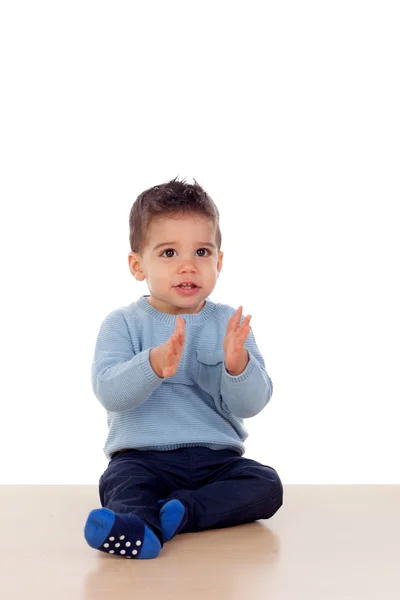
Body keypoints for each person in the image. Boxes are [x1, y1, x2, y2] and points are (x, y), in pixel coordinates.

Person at [84, 177, 283, 559]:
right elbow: (109, 391)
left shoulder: (230, 324)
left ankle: (183, 511)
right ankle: (139, 531)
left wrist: (237, 364)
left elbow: (251, 405)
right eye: (169, 253)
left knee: (266, 485)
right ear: (136, 265)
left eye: (202, 252)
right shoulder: (122, 323)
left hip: (216, 461)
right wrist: (153, 365)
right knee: (123, 486)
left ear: (219, 261)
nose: (188, 266)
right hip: (141, 458)